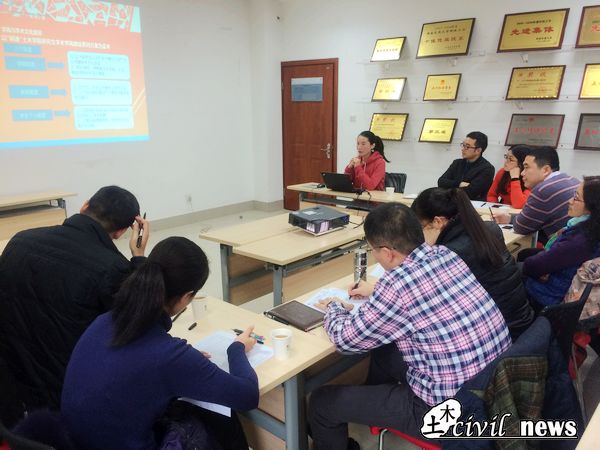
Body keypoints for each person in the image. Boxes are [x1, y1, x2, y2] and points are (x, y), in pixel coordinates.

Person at [308, 203, 511, 449]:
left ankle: (358, 412)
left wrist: (333, 307)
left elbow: (345, 340)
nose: (374, 255)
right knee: (384, 349)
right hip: (494, 389)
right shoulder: (445, 254)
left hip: (449, 412)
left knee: (322, 402)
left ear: (387, 252)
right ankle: (368, 407)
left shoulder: (396, 284)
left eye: (372, 250)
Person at [61, 237, 259, 450]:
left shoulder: (104, 320)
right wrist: (236, 348)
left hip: (74, 443)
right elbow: (248, 396)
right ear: (187, 297)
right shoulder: (167, 355)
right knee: (221, 422)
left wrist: (183, 363)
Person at [0, 186, 149, 416]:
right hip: (65, 392)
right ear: (121, 232)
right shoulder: (113, 268)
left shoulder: (19, 240)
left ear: (84, 206)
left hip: (12, 382)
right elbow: (141, 323)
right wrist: (139, 259)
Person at [412, 187, 534, 340]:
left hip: (500, 333)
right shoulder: (489, 229)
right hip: (522, 321)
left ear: (438, 222)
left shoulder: (449, 254)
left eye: (421, 227)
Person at [522, 176, 600, 310]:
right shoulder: (590, 229)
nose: (570, 201)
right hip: (562, 283)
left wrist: (543, 266)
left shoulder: (580, 241)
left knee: (509, 272)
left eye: (576, 198)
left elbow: (533, 266)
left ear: (592, 207)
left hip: (548, 298)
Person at [492, 146, 579, 244]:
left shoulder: (543, 189)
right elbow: (529, 218)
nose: (522, 173)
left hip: (565, 246)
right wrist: (510, 218)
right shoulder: (571, 179)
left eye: (526, 167)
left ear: (545, 170)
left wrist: (513, 220)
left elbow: (521, 227)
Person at [438, 131, 495, 201]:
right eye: (463, 145)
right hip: (452, 201)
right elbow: (441, 181)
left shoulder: (487, 169)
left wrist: (450, 186)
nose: (463, 149)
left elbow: (471, 192)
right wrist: (460, 184)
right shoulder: (457, 163)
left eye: (467, 147)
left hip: (472, 204)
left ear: (478, 150)